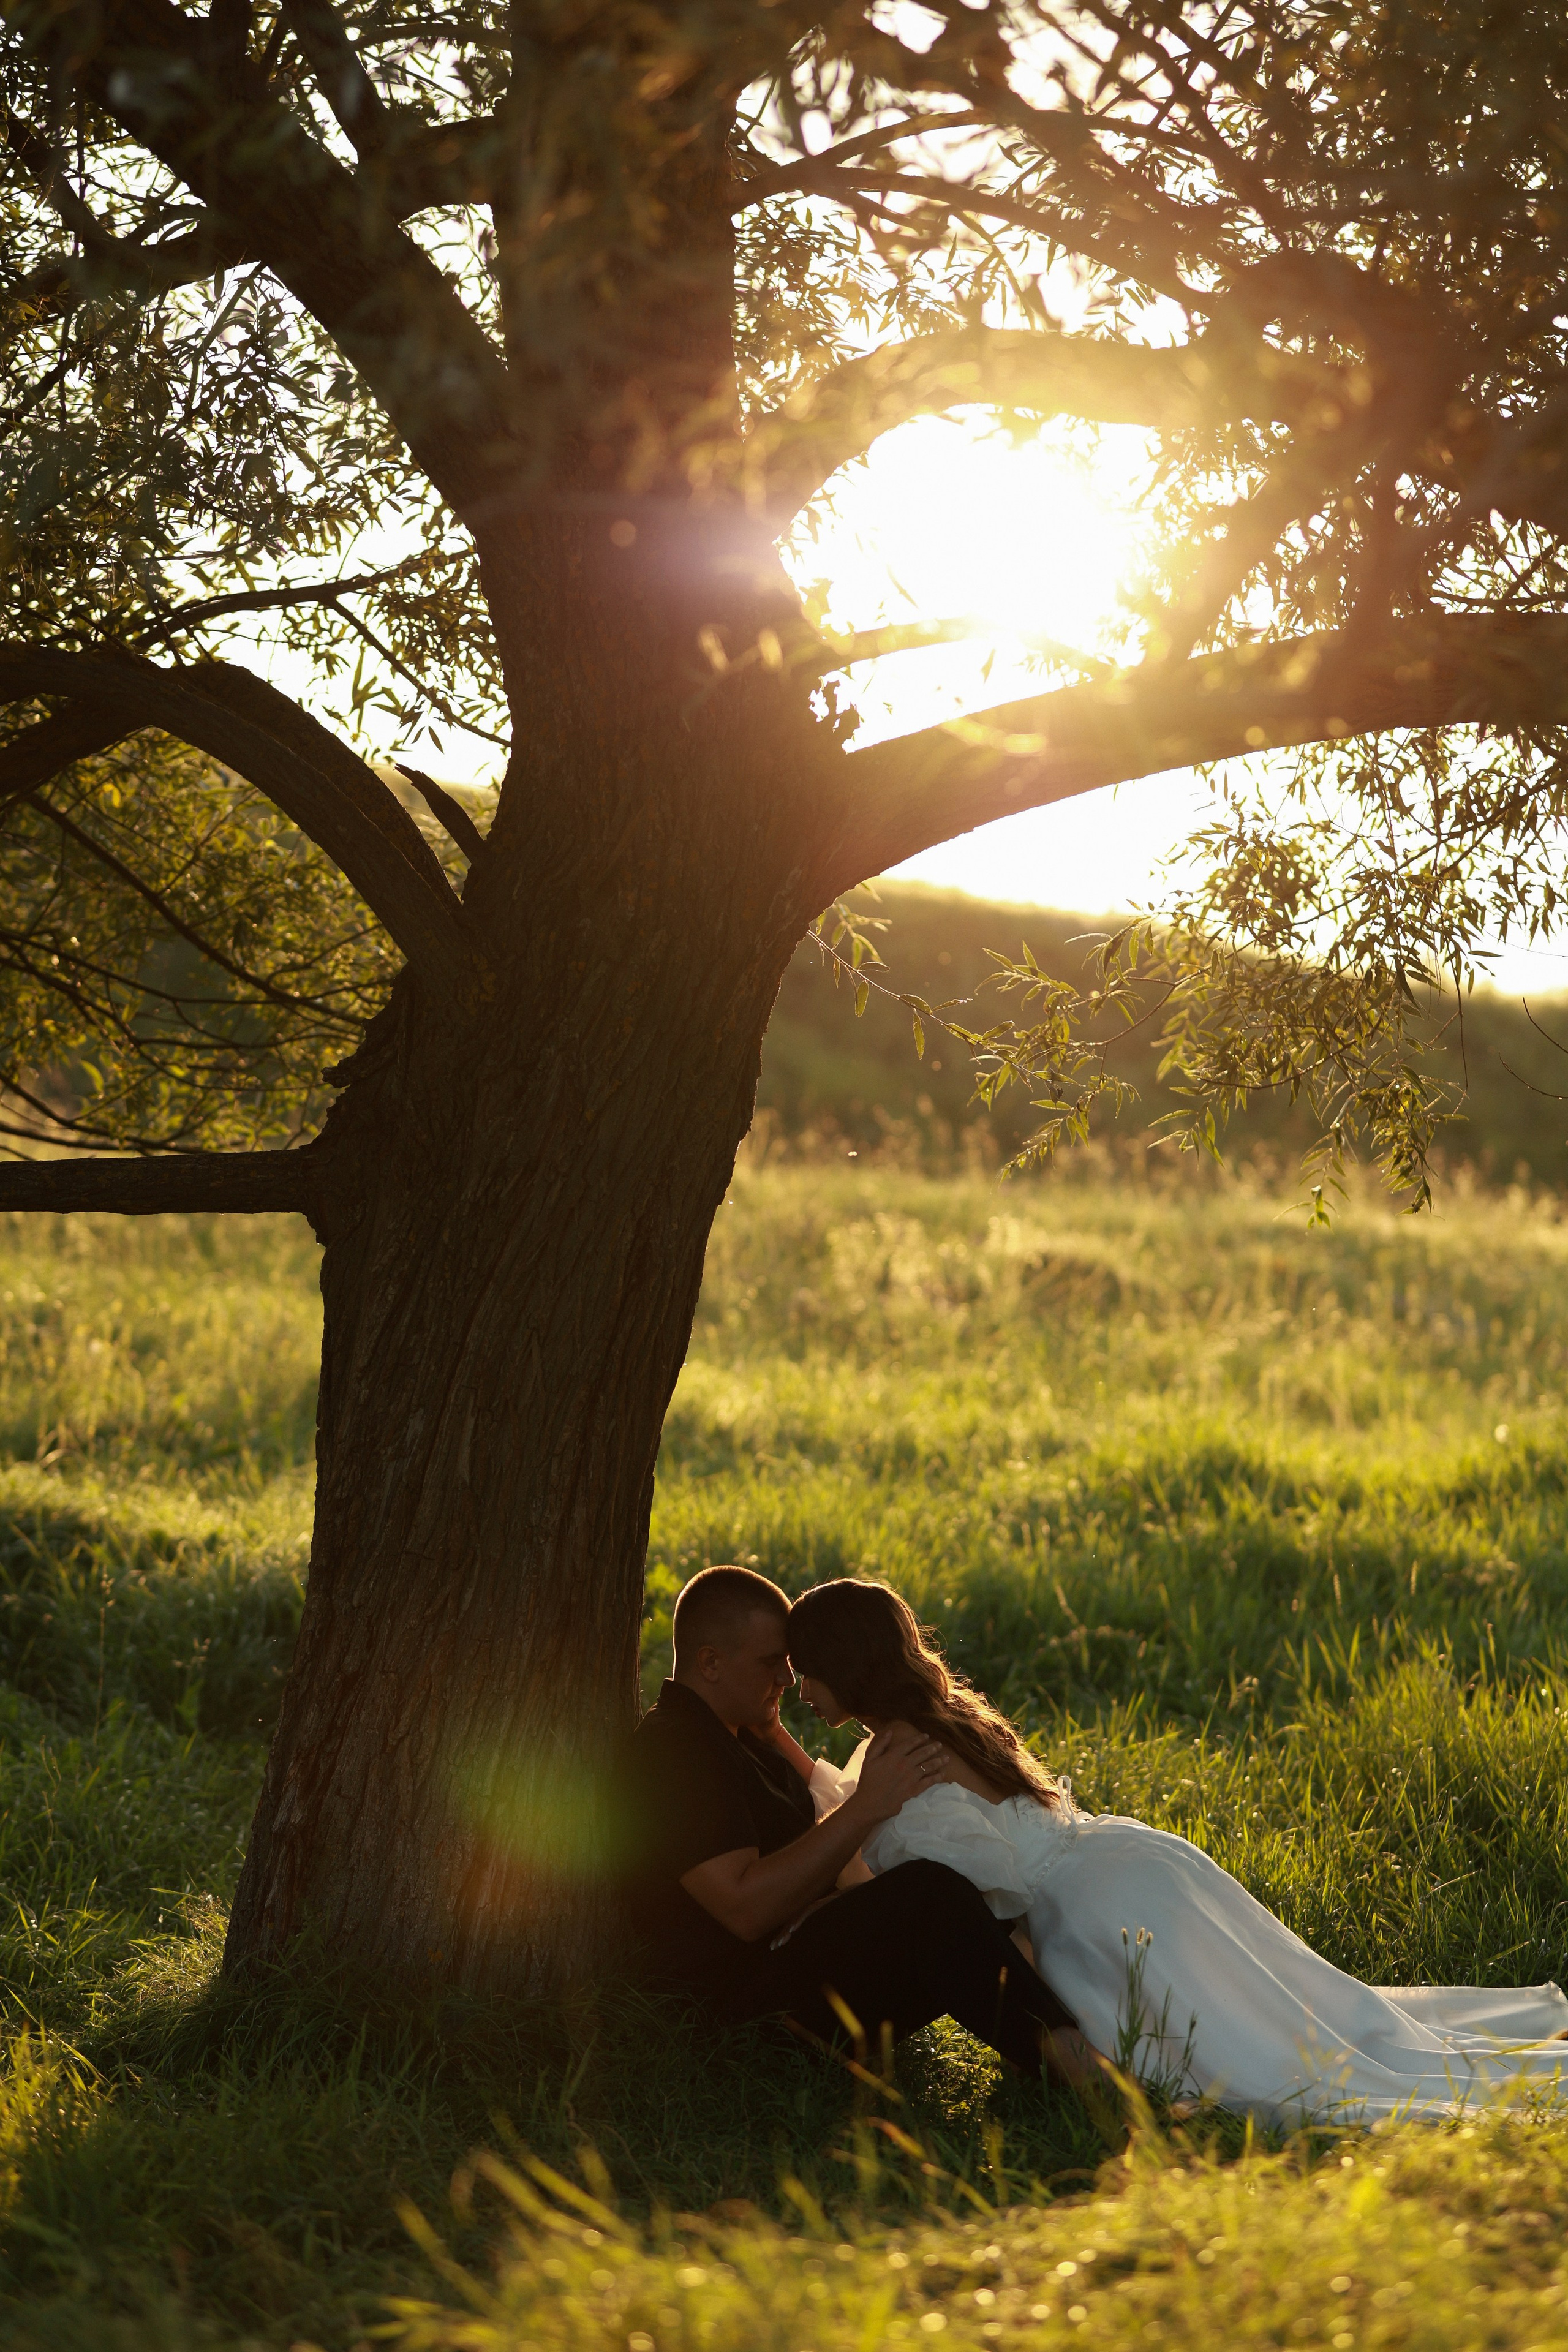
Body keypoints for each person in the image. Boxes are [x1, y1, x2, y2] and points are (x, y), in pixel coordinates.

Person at [785, 1577, 1568, 2128]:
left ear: (839, 1669)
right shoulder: (950, 1715)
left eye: (804, 1677)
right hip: (1129, 1857)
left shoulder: (891, 1765)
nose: (801, 1694)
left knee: (1251, 2063)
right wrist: (778, 1745)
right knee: (1281, 2009)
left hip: (1094, 1917)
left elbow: (977, 1905)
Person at [612, 1563, 1101, 2082]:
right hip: (749, 2009)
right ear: (710, 1663)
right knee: (930, 1894)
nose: (786, 1680)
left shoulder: (740, 1735)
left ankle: (1056, 2056)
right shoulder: (675, 1750)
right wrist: (866, 1807)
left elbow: (806, 1835)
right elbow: (744, 1910)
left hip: (799, 1957)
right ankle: (1081, 2073)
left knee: (976, 1875)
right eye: (771, 1664)